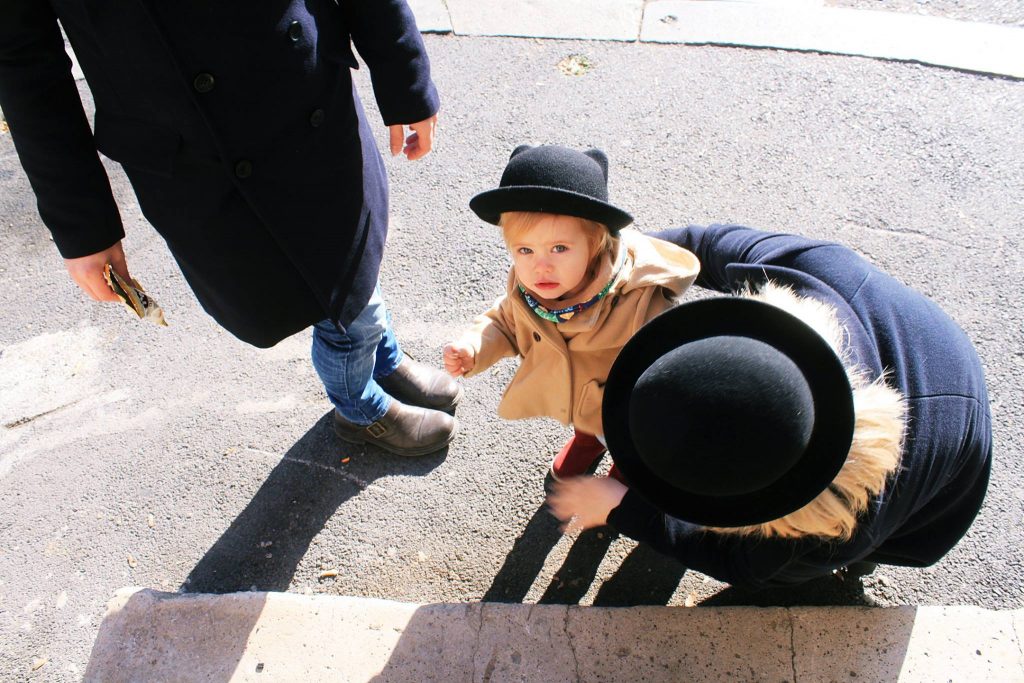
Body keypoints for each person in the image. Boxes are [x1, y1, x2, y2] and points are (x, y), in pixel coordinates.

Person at [0, 1, 461, 457]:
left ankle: (380, 359)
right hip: (194, 154)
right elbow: (23, 60)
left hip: (308, 91)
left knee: (356, 257)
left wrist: (404, 73)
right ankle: (360, 408)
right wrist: (83, 227)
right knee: (333, 298)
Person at [547, 223, 992, 588]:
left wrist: (623, 508)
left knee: (840, 563)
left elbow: (738, 562)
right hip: (927, 348)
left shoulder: (832, 529)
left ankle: (856, 570)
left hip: (935, 488)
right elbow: (701, 245)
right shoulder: (817, 272)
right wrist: (617, 273)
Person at [443, 145, 700, 478]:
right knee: (587, 423)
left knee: (630, 444)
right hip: (581, 401)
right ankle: (588, 440)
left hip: (626, 406)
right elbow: (504, 322)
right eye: (525, 250)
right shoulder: (529, 295)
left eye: (559, 248)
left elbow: (669, 360)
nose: (541, 266)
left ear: (595, 246)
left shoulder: (638, 300)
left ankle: (623, 470)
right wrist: (474, 346)